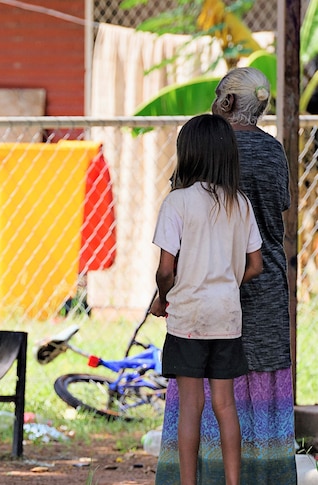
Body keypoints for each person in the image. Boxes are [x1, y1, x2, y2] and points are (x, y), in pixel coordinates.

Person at [154, 68, 297, 485]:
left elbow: (174, 251)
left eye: (218, 95)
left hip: (198, 296)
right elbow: (277, 217)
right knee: (249, 390)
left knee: (197, 396)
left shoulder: (204, 151)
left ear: (228, 102)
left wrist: (168, 292)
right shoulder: (273, 151)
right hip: (263, 286)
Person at [149, 113, 263, 485]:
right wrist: (228, 283)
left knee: (191, 406)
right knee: (226, 406)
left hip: (189, 319)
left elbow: (166, 270)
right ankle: (233, 482)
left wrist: (163, 299)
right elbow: (256, 264)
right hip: (227, 318)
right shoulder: (240, 203)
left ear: (189, 154)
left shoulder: (177, 203)